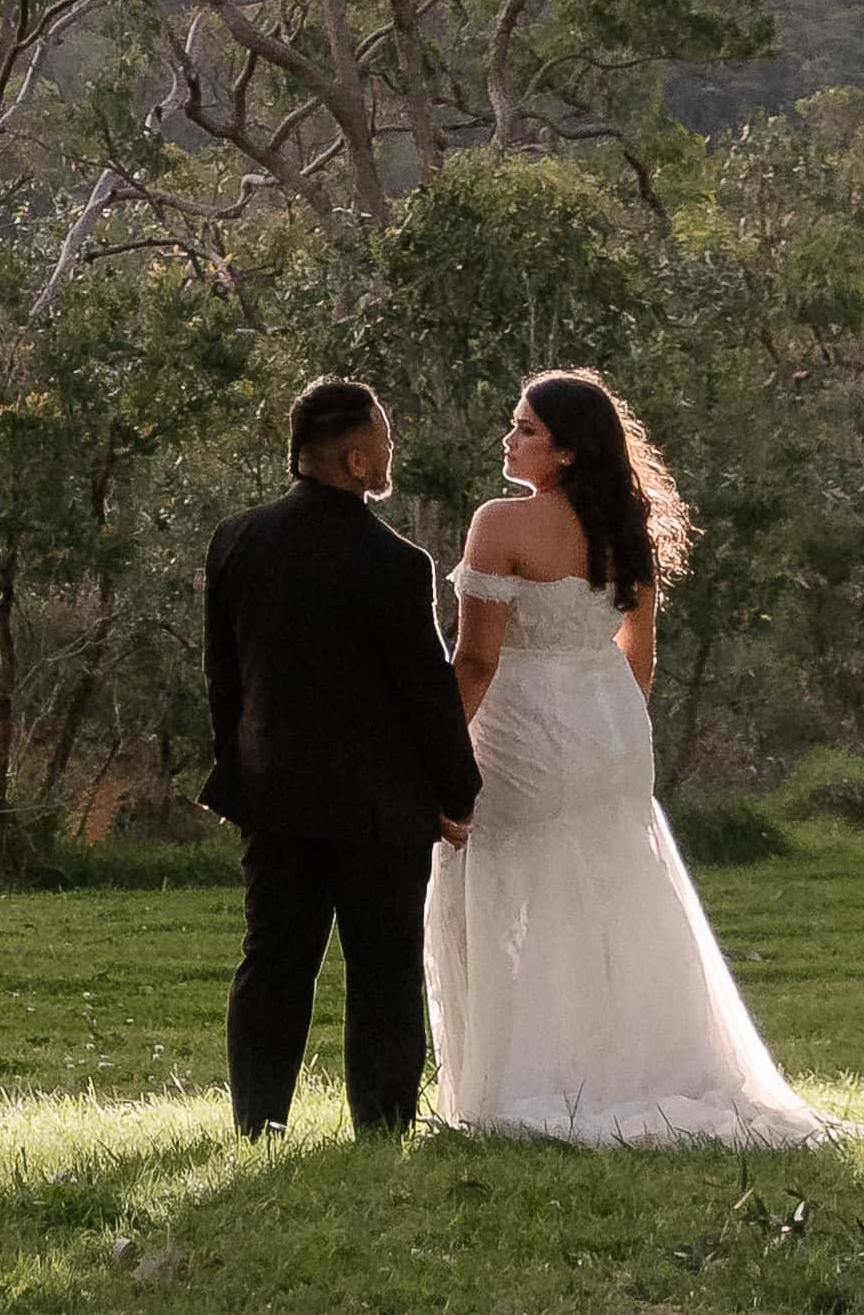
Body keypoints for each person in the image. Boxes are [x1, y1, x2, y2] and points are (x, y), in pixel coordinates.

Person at [429, 367, 830, 1146]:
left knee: (520, 886)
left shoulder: (500, 523)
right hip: (609, 726)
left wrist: (437, 753)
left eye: (526, 430)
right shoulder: (627, 525)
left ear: (568, 452)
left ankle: (528, 1080)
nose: (509, 439)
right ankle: (631, 1068)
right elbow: (638, 657)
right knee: (609, 899)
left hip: (526, 727)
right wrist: (606, 724)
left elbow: (475, 662)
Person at [200, 375, 478, 1136]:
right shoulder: (394, 562)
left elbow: (224, 679)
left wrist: (239, 771)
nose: (391, 451)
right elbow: (426, 690)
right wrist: (458, 792)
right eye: (383, 440)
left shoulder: (237, 541)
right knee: (383, 970)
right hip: (377, 808)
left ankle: (259, 1122)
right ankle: (382, 1124)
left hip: (275, 795)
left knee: (273, 961)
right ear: (356, 462)